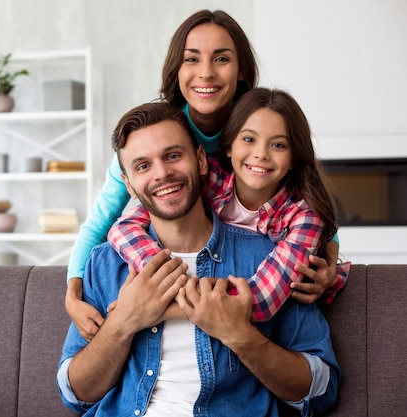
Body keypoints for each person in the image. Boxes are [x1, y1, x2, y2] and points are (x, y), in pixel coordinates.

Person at [65, 9, 344, 339]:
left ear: (241, 70)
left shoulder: (259, 123)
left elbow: (315, 215)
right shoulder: (154, 136)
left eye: (222, 59)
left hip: (252, 277)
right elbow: (105, 222)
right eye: (192, 59)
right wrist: (73, 294)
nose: (206, 73)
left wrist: (328, 265)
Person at [57, 102, 340, 416]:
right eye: (142, 166)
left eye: (173, 156)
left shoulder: (270, 258)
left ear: (202, 161)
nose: (162, 173)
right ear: (129, 185)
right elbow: (74, 395)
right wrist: (123, 322)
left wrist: (240, 335)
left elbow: (321, 388)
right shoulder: (106, 262)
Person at [108, 87, 348, 321]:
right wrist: (164, 275)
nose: (261, 154)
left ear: (294, 157)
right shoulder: (209, 177)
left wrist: (146, 309)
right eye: (248, 139)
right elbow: (124, 227)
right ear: (230, 145)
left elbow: (261, 300)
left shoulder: (305, 216)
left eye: (278, 145)